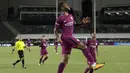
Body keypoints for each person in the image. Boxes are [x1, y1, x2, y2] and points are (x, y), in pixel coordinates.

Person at [54, 2, 96, 73]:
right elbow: (55, 30)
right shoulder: (60, 18)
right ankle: (93, 63)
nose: (67, 5)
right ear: (62, 8)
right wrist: (58, 38)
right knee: (83, 46)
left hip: (69, 37)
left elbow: (75, 26)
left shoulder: (71, 16)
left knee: (65, 59)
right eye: (65, 5)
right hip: (66, 37)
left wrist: (82, 23)